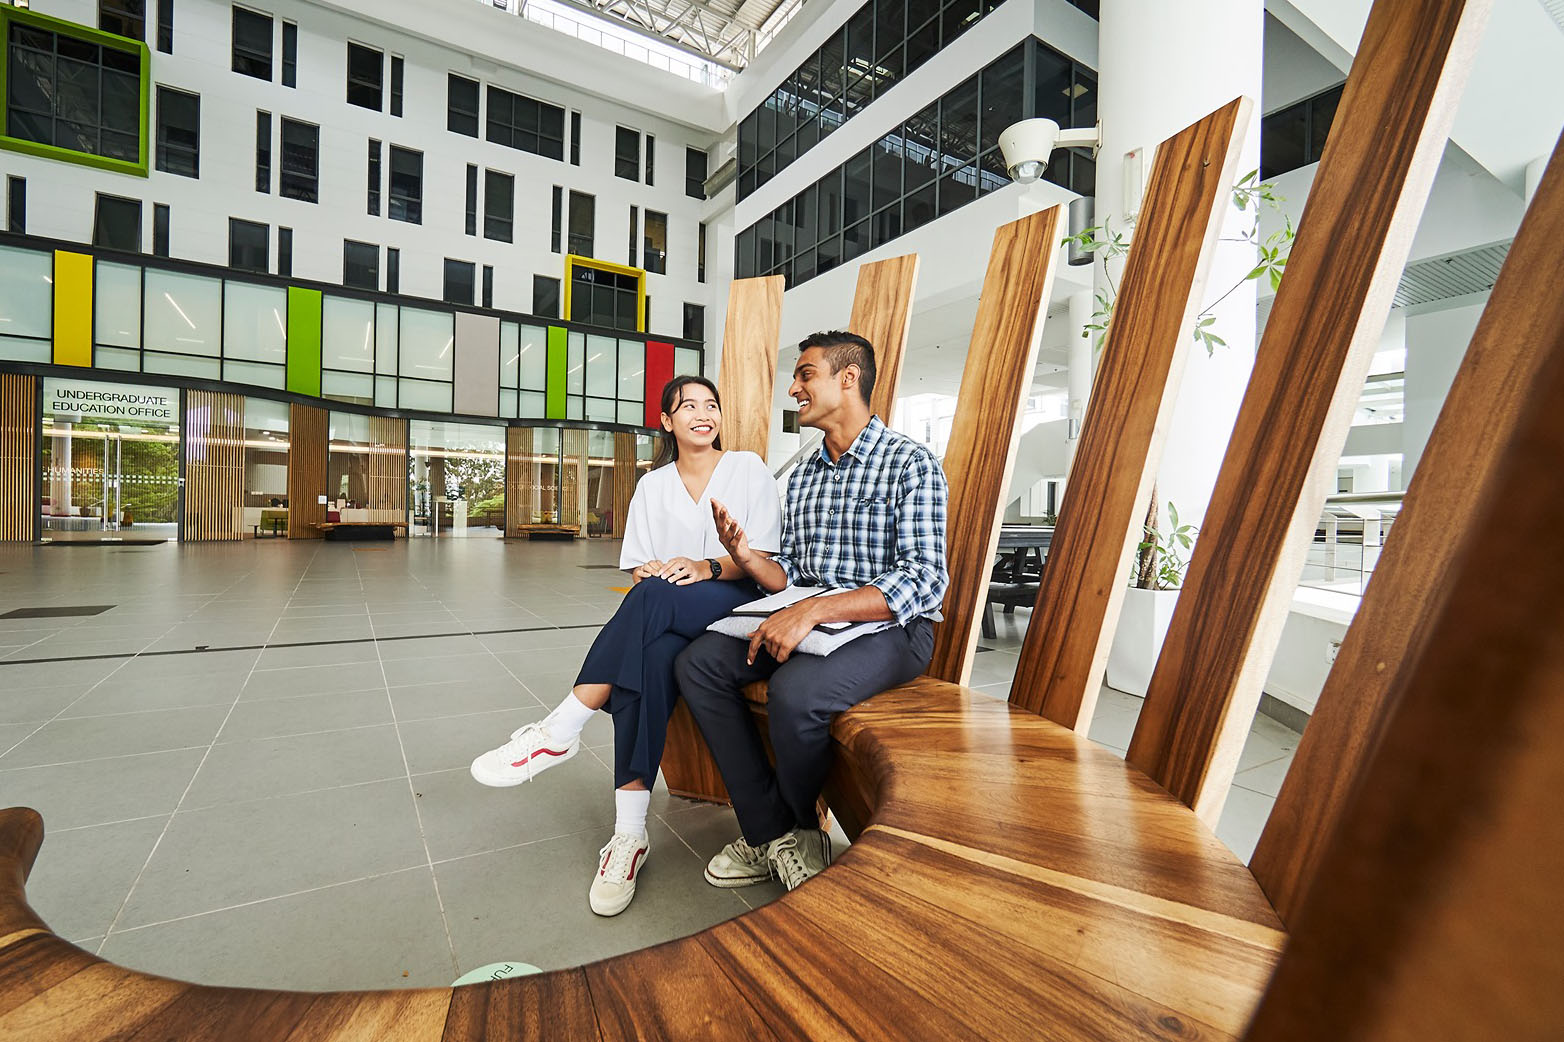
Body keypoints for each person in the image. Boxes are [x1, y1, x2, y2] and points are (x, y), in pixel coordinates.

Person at [469, 376, 781, 916]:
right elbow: (640, 569)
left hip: (736, 600)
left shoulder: (748, 468)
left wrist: (704, 565)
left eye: (711, 406)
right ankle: (629, 837)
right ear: (666, 420)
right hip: (668, 609)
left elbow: (765, 560)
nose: (702, 414)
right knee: (646, 663)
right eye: (687, 406)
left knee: (654, 604)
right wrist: (658, 570)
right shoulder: (652, 486)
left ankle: (561, 728)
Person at [674, 331, 949, 892]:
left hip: (894, 626)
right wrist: (747, 556)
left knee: (797, 692)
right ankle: (772, 829)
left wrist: (816, 610)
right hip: (814, 613)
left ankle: (799, 828)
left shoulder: (911, 464)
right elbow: (794, 573)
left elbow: (924, 577)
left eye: (805, 375)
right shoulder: (800, 478)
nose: (795, 388)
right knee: (699, 663)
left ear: (847, 379)